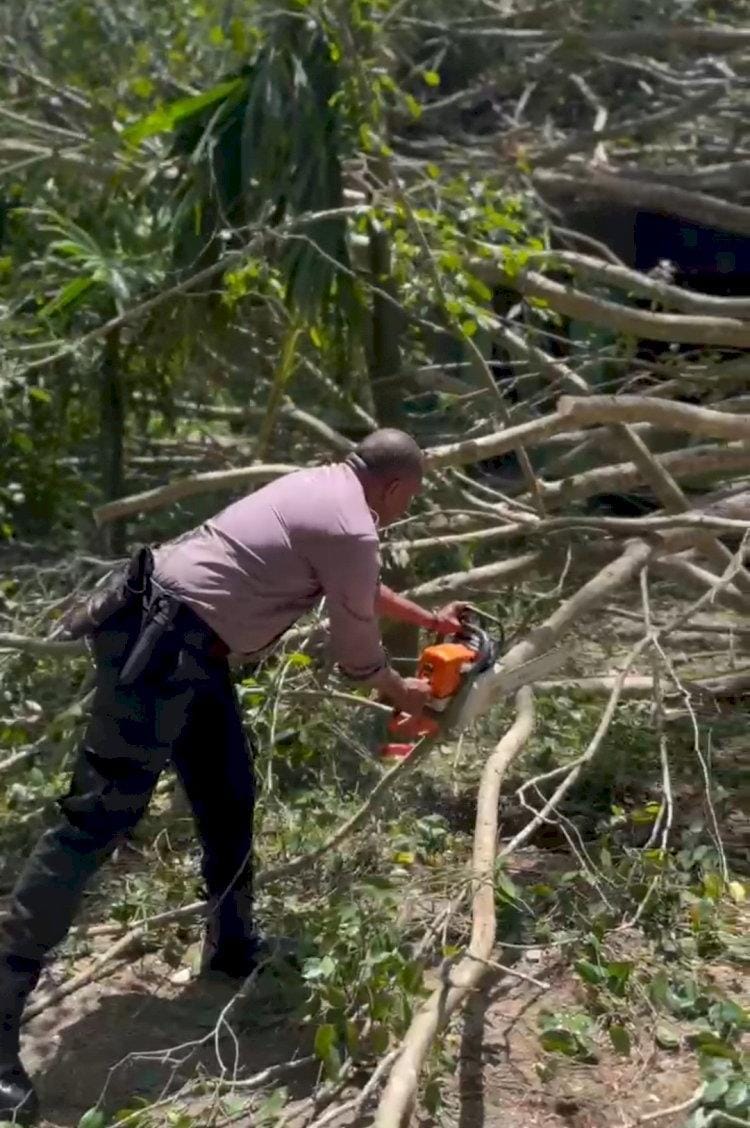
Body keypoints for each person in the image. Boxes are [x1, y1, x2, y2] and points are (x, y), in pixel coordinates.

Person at [0, 428, 466, 1123]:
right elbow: (357, 655)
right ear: (397, 487)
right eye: (410, 501)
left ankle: (231, 943)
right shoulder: (351, 523)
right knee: (94, 824)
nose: (403, 512)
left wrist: (427, 619)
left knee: (227, 793)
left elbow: (359, 587)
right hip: (160, 647)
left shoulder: (323, 486)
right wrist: (416, 701)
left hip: (183, 638)